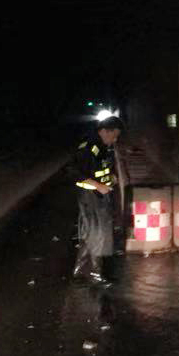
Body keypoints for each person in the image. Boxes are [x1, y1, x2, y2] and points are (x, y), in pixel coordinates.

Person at [70, 116, 124, 285]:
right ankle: (94, 273)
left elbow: (101, 168)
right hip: (90, 196)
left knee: (94, 233)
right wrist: (98, 186)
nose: (115, 140)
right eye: (114, 136)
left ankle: (82, 273)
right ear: (104, 131)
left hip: (100, 196)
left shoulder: (103, 146)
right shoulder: (88, 147)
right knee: (97, 233)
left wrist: (111, 177)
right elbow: (75, 172)